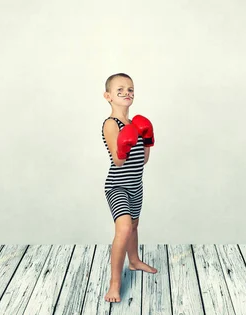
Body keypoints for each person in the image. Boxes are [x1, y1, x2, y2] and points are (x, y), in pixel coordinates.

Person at [101, 73, 158, 303]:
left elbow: (142, 160)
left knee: (133, 226)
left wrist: (147, 139)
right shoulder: (110, 124)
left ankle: (134, 261)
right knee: (123, 229)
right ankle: (114, 283)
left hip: (136, 185)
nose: (127, 93)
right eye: (120, 90)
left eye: (131, 89)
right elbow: (118, 160)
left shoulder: (136, 124)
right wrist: (126, 141)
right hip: (117, 186)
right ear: (108, 96)